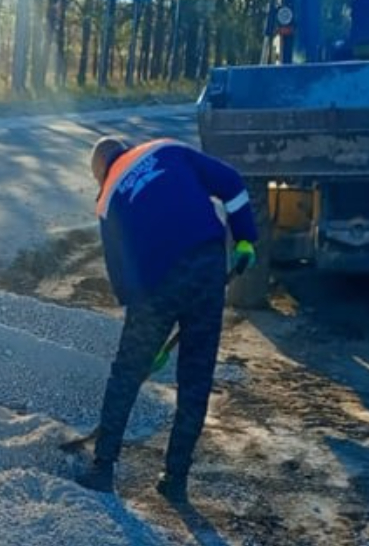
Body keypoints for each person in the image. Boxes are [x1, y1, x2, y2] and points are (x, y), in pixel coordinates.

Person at [79, 135, 257, 502]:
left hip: (155, 285)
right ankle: (174, 480)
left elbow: (122, 280)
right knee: (196, 376)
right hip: (208, 265)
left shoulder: (109, 197)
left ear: (100, 173)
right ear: (128, 148)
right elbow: (233, 184)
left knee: (126, 374)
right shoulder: (167, 149)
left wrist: (145, 340)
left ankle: (102, 468)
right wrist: (245, 238)